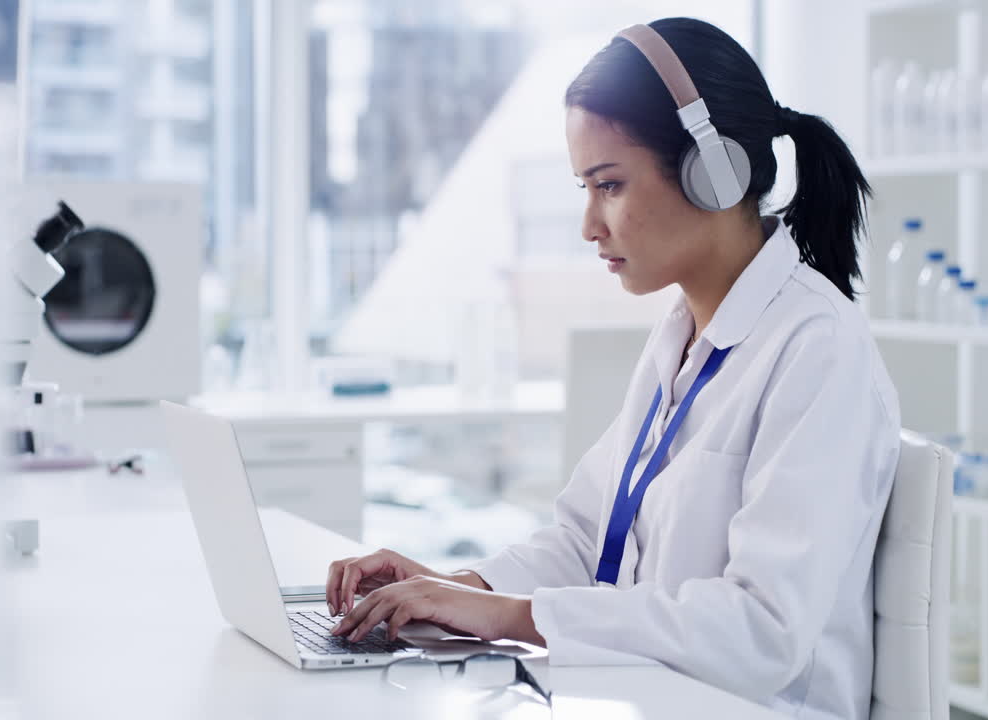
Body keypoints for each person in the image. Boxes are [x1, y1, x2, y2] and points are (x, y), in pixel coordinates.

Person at [325, 17, 899, 720]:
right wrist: (457, 587)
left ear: (713, 172)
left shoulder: (818, 348)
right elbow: (584, 539)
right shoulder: (681, 338)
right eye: (585, 188)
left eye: (610, 185)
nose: (589, 225)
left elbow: (762, 631)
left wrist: (508, 616)